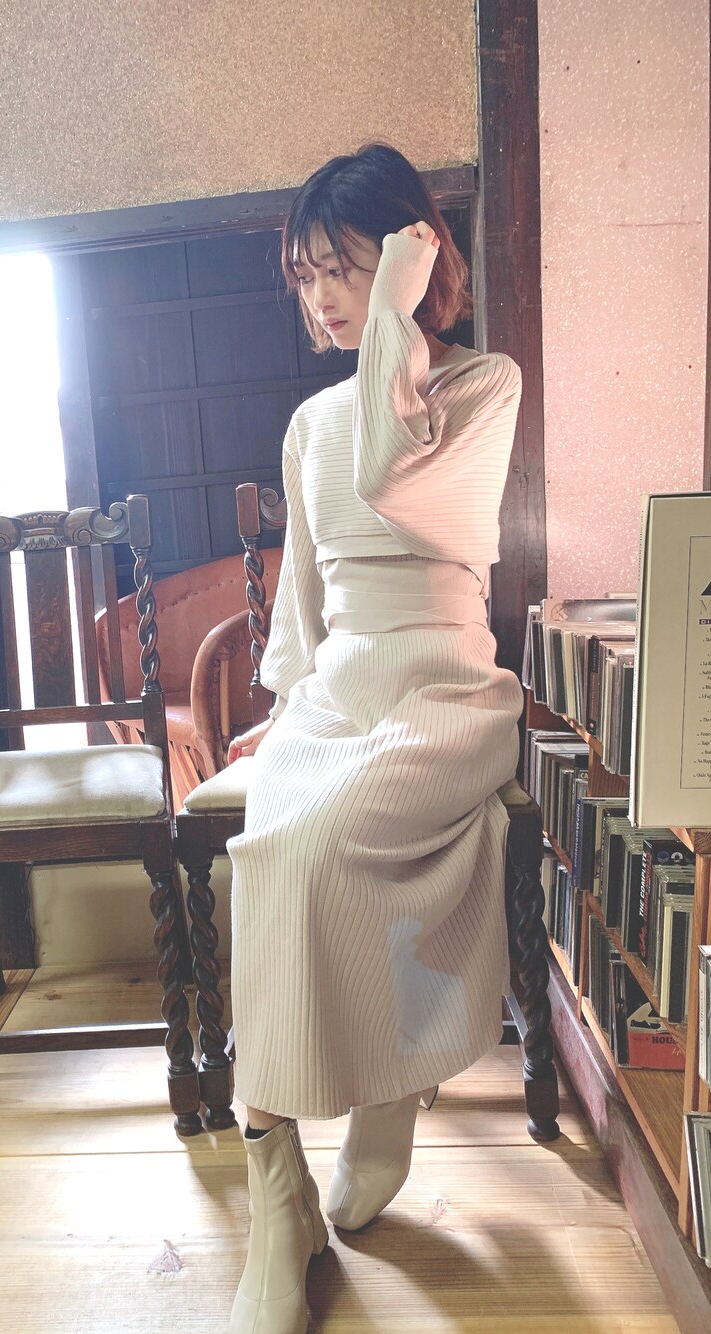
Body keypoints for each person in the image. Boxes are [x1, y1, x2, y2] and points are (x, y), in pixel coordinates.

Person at [223, 143, 525, 1334]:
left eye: (342, 267)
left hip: (442, 690)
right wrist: (277, 710)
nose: (321, 298)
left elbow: (398, 476)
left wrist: (397, 309)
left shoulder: (481, 387)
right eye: (304, 277)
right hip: (338, 690)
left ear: (411, 255)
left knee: (318, 845)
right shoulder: (309, 422)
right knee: (267, 844)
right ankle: (277, 1191)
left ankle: (387, 1093)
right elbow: (303, 598)